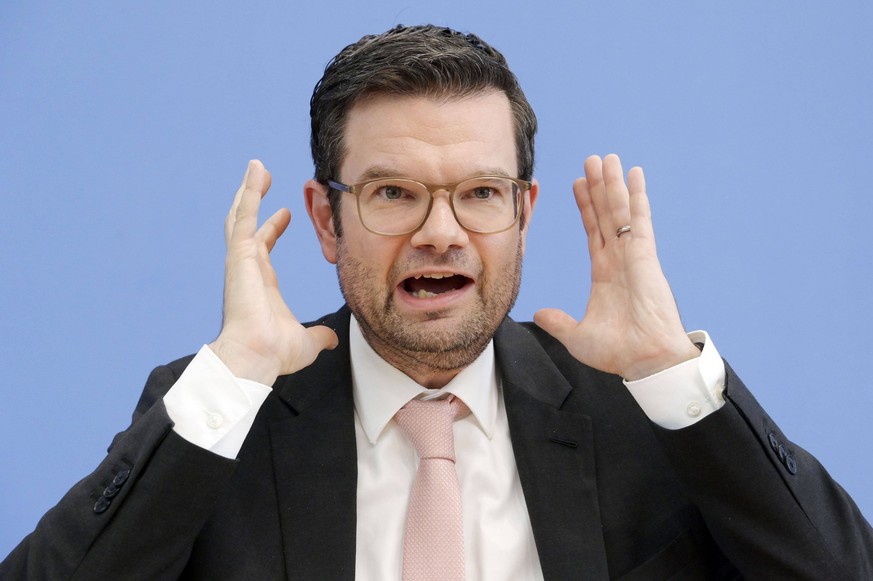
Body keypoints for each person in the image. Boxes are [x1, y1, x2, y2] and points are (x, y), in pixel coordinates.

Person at [2, 24, 871, 580]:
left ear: (524, 215)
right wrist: (231, 377)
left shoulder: (642, 413)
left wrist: (669, 372)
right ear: (325, 218)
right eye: (391, 194)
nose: (441, 232)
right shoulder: (222, 418)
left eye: (480, 194)